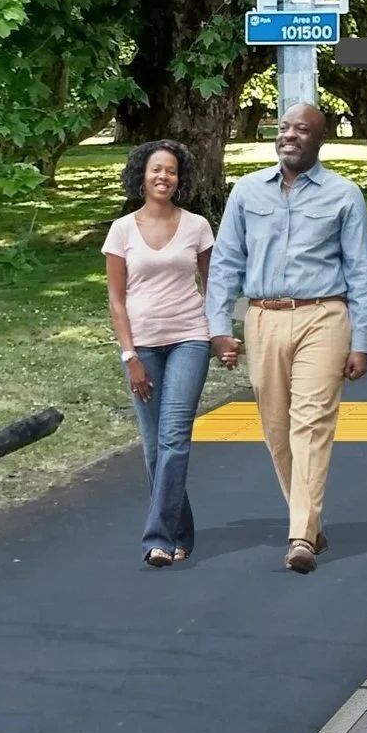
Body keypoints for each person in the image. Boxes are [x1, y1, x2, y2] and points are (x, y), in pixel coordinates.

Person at [207, 104, 367, 573]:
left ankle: (300, 534)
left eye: (302, 130)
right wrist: (219, 326)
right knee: (276, 429)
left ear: (320, 139)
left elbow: (360, 272)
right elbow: (225, 262)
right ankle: (312, 523)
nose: (290, 136)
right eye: (285, 128)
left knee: (311, 423)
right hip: (263, 318)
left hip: (323, 316)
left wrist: (361, 339)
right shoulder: (246, 192)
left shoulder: (344, 195)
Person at [104, 140, 225, 568]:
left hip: (189, 339)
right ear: (141, 174)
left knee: (174, 439)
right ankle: (180, 532)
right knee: (154, 448)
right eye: (156, 169)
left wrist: (219, 335)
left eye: (171, 171)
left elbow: (215, 287)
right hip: (142, 348)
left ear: (180, 179)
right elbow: (116, 302)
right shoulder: (121, 230)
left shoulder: (196, 226)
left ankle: (155, 538)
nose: (163, 177)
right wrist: (129, 356)